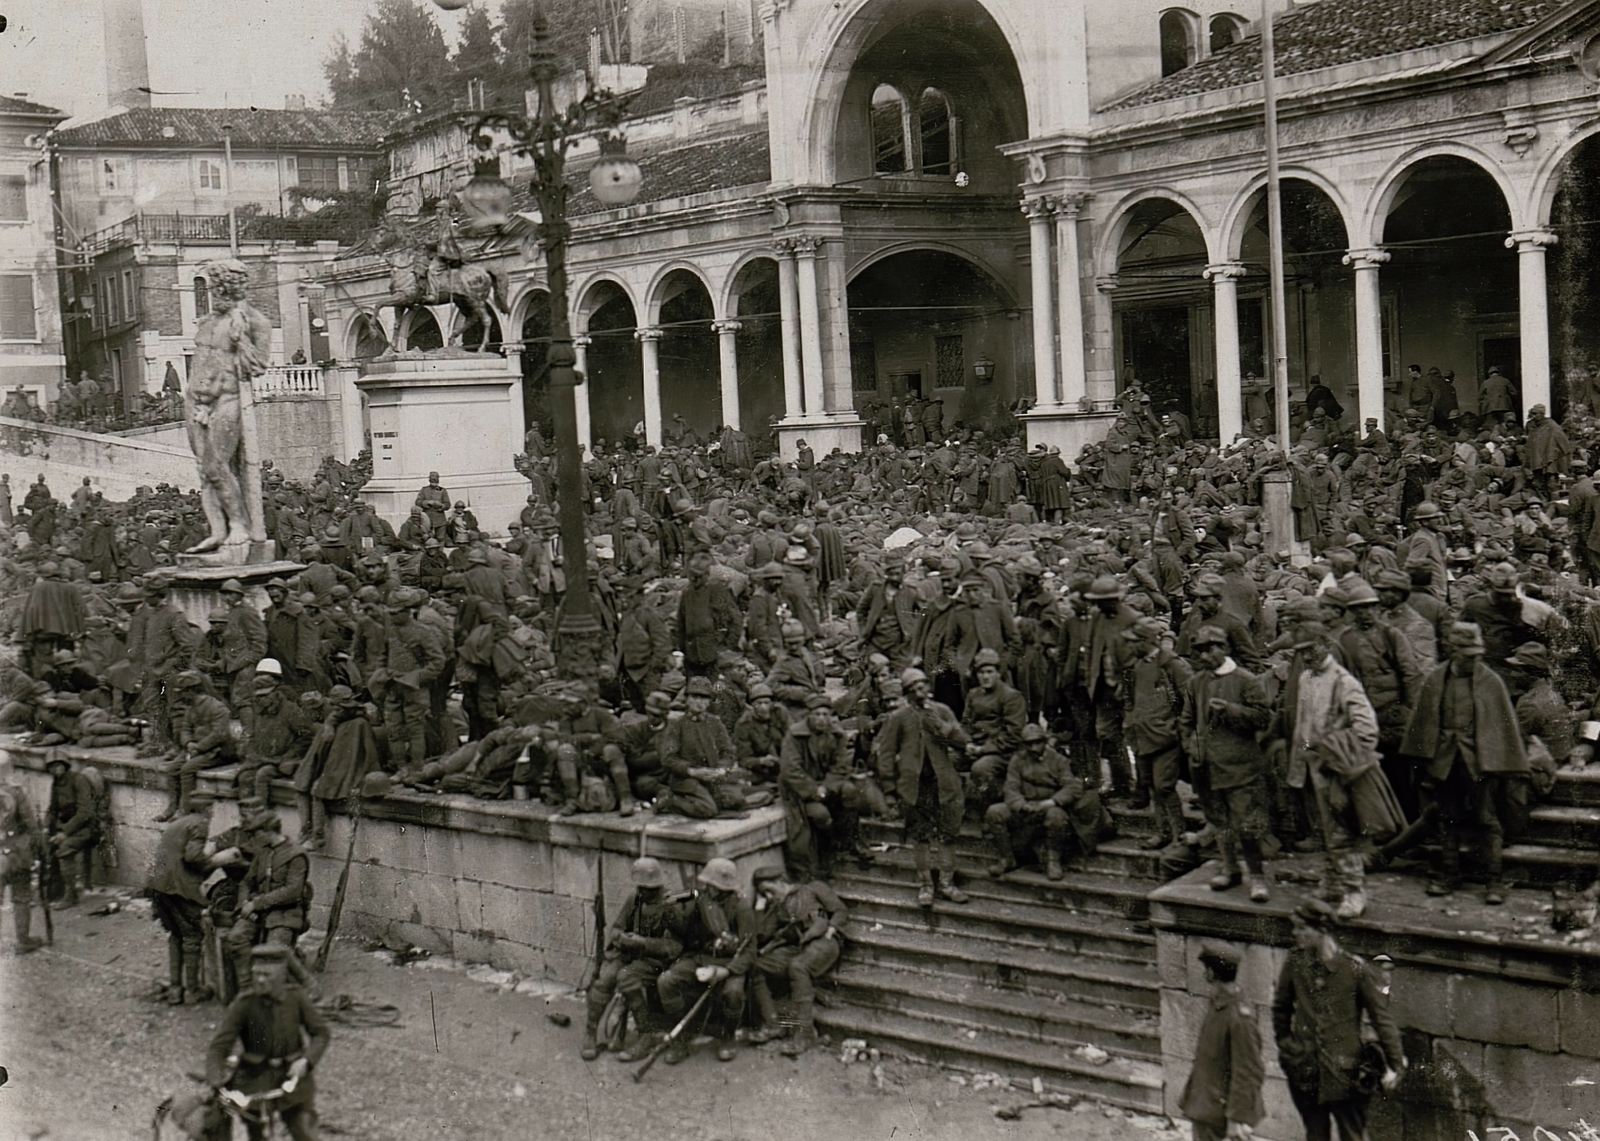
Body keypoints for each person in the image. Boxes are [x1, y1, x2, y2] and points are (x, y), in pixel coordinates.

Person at [1400, 622, 1529, 903]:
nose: (1474, 661)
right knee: (1448, 818)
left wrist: (1497, 763)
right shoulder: (1436, 679)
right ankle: (1450, 874)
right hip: (1445, 760)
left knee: (1486, 819)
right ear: (1453, 651)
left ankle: (1494, 880)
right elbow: (1424, 721)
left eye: (1476, 655)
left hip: (1478, 762)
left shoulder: (1490, 681)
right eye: (1467, 655)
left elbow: (1502, 726)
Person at [1273, 898, 1404, 1141]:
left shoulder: (1355, 970)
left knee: (1352, 1135)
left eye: (1302, 928)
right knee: (1315, 1134)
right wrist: (1287, 1046)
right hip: (1306, 1070)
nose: (1295, 933)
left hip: (1347, 1074)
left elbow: (1381, 1019)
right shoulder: (1295, 962)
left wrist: (1396, 1065)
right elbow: (1281, 1008)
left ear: (1322, 930)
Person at [1182, 625, 1272, 903]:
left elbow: (1263, 716)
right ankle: (1230, 868)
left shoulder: (1246, 680)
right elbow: (1186, 720)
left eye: (1211, 649)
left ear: (1226, 648)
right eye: (1200, 651)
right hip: (1206, 765)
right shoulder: (1195, 682)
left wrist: (1232, 710)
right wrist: (1191, 746)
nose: (1205, 655)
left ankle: (1256, 877)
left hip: (1239, 766)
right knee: (1218, 820)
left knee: (1246, 824)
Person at [205, 944, 330, 1141]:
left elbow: (321, 1033)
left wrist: (306, 1062)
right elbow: (219, 1047)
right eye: (257, 974)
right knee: (256, 1134)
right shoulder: (244, 1003)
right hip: (255, 1080)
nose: (260, 980)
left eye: (267, 975)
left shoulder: (296, 998)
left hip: (293, 1080)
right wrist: (215, 1080)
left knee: (304, 1132)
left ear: (281, 976)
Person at [877, 666, 972, 906]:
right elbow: (886, 754)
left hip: (944, 784)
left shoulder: (942, 710)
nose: (920, 692)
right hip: (915, 786)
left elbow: (963, 742)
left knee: (948, 835)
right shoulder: (898, 717)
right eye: (914, 689)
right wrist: (889, 790)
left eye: (923, 686)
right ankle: (926, 886)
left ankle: (947, 884)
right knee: (920, 837)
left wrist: (941, 724)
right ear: (907, 693)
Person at [582, 856, 686, 1061]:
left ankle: (645, 1035)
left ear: (657, 886)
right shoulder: (635, 899)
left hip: (654, 960)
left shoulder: (671, 906)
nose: (642, 892)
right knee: (604, 979)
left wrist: (642, 943)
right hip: (628, 952)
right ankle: (590, 1032)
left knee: (626, 978)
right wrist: (620, 937)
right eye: (640, 887)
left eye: (647, 888)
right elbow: (618, 926)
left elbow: (674, 947)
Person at [656, 857, 756, 1065]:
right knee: (666, 981)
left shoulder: (741, 907)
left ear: (722, 887)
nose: (706, 888)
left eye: (711, 885)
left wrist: (726, 971)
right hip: (702, 958)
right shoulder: (701, 901)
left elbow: (749, 952)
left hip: (730, 963)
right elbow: (685, 930)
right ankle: (681, 1038)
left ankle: (728, 1036)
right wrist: (671, 913)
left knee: (733, 992)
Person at [984, 723, 1112, 880]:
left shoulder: (1058, 760)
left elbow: (1071, 787)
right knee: (995, 812)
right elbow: (1011, 787)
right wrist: (1021, 805)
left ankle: (1053, 861)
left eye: (1037, 742)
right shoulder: (1017, 760)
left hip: (1049, 805)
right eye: (1029, 743)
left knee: (1056, 817)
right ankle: (1007, 858)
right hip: (1025, 805)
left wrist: (1052, 802)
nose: (1033, 747)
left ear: (1044, 741)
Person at [747, 866, 849, 1055]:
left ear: (780, 881)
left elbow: (840, 910)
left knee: (797, 967)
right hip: (798, 947)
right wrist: (760, 907)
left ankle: (805, 1034)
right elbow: (760, 935)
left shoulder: (813, 888)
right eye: (763, 893)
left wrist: (832, 928)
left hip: (824, 942)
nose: (769, 896)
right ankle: (772, 1024)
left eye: (770, 890)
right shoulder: (778, 908)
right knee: (755, 967)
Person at [1179, 942, 1265, 1141]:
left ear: (1211, 973)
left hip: (1220, 1113)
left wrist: (1236, 1119)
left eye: (1206, 970)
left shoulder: (1238, 1017)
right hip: (1207, 1106)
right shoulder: (1220, 1005)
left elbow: (1249, 1072)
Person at [145, 790, 220, 1005]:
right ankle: (193, 990)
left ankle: (176, 988)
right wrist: (215, 861)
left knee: (176, 935)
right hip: (178, 887)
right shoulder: (200, 823)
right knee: (193, 936)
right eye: (212, 809)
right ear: (208, 809)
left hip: (158, 885)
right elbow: (193, 856)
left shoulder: (178, 822)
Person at [0, 753, 44, 953]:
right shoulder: (17, 792)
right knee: (21, 896)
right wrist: (39, 850)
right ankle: (23, 941)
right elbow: (31, 825)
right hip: (17, 852)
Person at [44, 750, 98, 909]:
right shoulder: (56, 783)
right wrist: (46, 827)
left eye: (58, 765)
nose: (55, 770)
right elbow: (52, 809)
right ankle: (54, 889)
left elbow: (85, 812)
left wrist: (64, 833)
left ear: (65, 765)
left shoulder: (78, 780)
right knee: (44, 843)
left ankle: (71, 895)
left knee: (65, 848)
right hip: (66, 827)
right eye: (51, 767)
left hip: (86, 827)